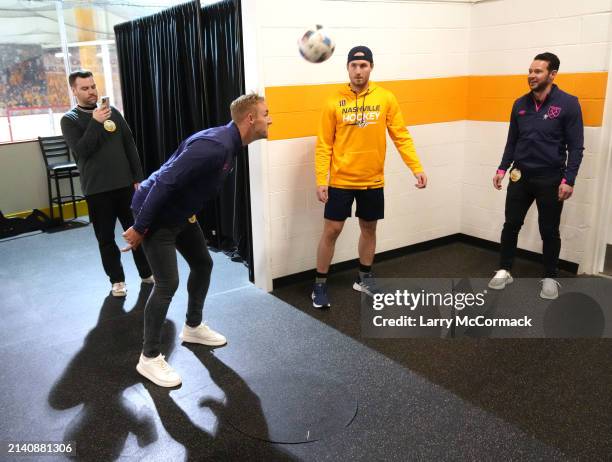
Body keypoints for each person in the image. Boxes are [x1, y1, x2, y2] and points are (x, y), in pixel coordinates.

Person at [122, 93, 272, 387]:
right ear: (250, 119)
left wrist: (188, 213)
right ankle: (149, 357)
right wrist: (140, 227)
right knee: (167, 284)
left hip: (180, 214)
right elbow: (165, 181)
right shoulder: (214, 147)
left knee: (203, 264)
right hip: (155, 215)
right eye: (266, 113)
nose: (271, 119)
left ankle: (192, 326)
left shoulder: (230, 145)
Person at [312, 45, 428, 309]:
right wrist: (322, 179)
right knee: (332, 230)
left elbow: (401, 135)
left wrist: (416, 167)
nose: (358, 71)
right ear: (348, 68)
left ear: (371, 67)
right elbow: (323, 145)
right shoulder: (333, 101)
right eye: (354, 65)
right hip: (340, 180)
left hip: (372, 180)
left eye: (363, 66)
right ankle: (319, 284)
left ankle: (364, 277)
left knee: (369, 228)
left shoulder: (386, 98)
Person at [489, 52, 584, 299]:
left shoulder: (568, 103)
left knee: (549, 229)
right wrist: (502, 168)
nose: (531, 76)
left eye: (538, 71)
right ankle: (504, 269)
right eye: (530, 71)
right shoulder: (519, 104)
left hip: (550, 178)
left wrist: (569, 179)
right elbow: (512, 140)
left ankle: (550, 276)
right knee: (511, 225)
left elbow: (576, 147)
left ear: (552, 74)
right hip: (520, 176)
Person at [61, 70, 152, 297]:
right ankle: (117, 280)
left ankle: (147, 273)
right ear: (74, 91)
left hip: (125, 186)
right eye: (84, 88)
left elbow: (129, 145)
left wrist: (138, 178)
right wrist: (95, 122)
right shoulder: (69, 120)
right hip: (97, 190)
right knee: (105, 238)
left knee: (138, 232)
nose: (91, 91)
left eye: (93, 86)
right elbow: (82, 151)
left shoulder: (114, 113)